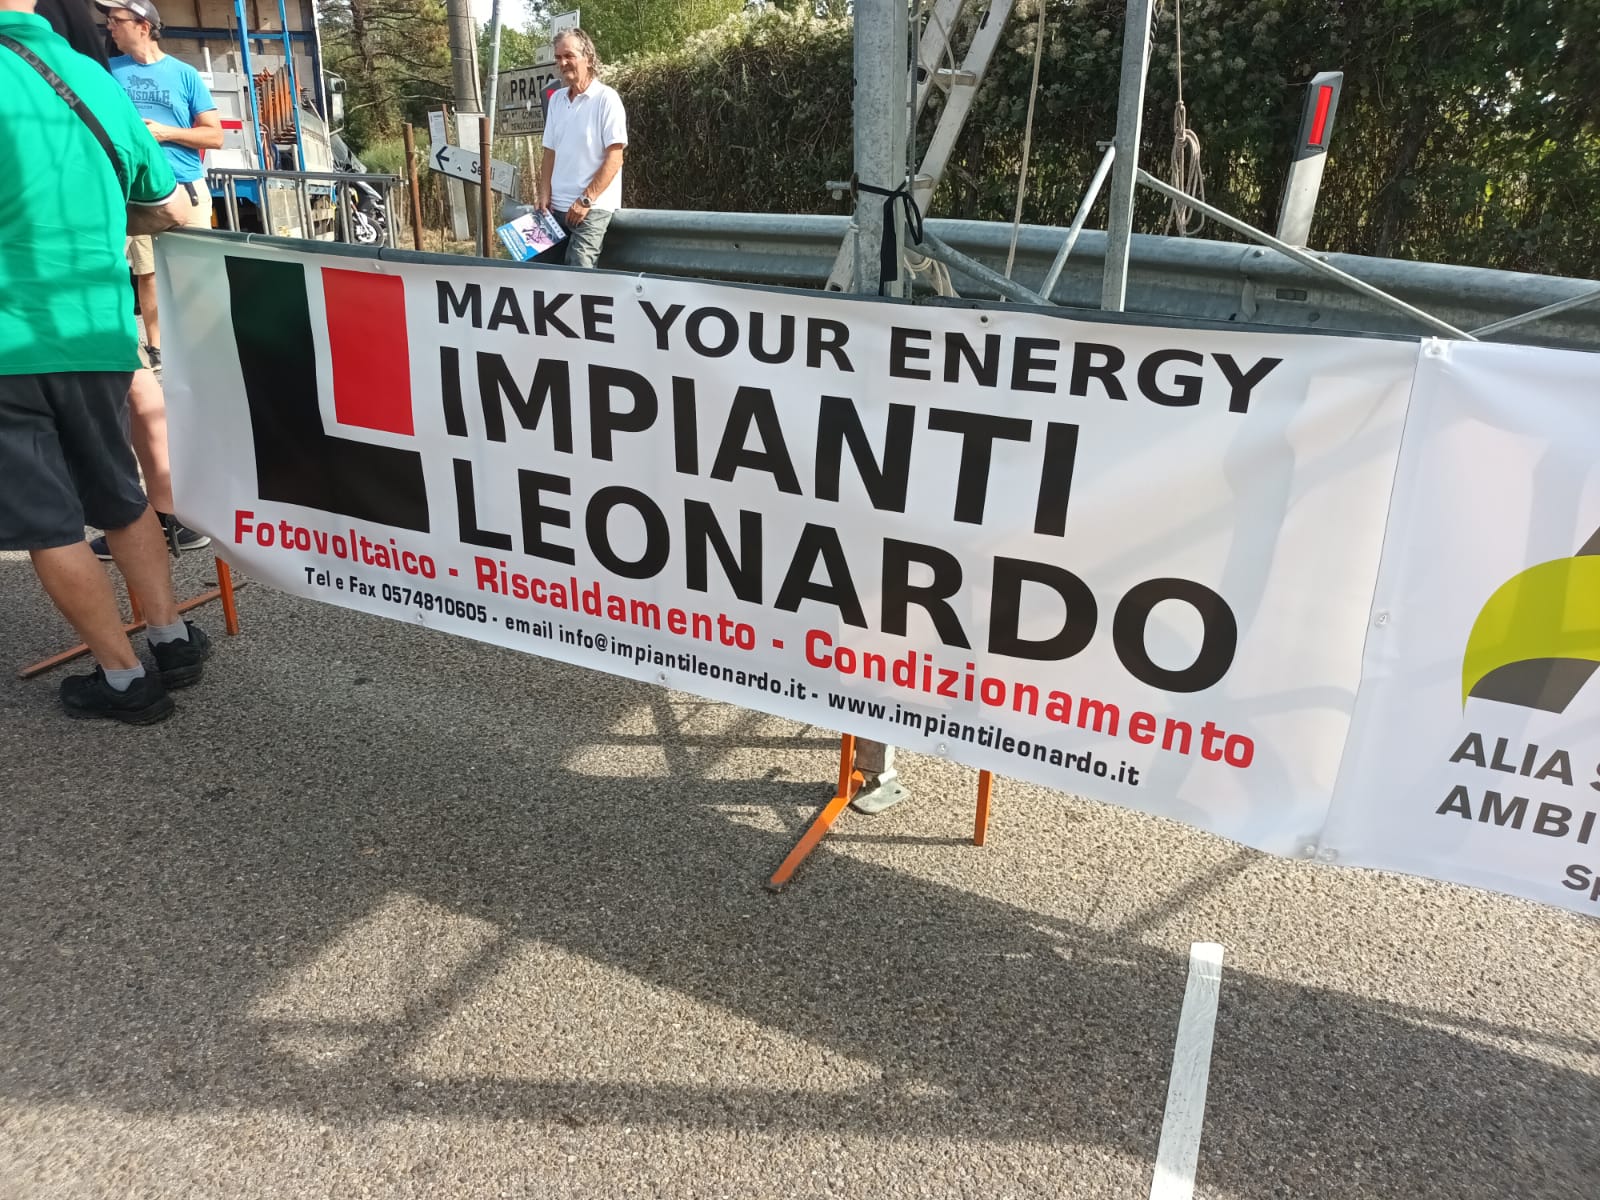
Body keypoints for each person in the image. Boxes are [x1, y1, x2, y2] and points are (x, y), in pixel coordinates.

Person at [1, 0, 212, 724]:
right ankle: (171, 638)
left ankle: (124, 680)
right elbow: (169, 206)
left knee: (49, 521)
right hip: (97, 327)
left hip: (10, 342)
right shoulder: (92, 77)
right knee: (121, 493)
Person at [97, 0, 221, 370]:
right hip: (136, 194)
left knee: (196, 273)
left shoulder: (184, 74)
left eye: (116, 20)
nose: (109, 27)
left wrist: (165, 133)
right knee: (146, 274)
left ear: (144, 26)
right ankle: (157, 348)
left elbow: (214, 136)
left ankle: (204, 346)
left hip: (186, 188)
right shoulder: (108, 72)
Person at [536, 27, 626, 269]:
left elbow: (615, 158)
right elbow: (549, 152)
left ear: (588, 57)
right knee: (536, 267)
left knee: (579, 266)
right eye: (558, 57)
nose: (562, 63)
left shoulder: (607, 99)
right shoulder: (556, 99)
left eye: (569, 56)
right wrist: (543, 194)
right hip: (554, 207)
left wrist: (586, 200)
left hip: (591, 208)